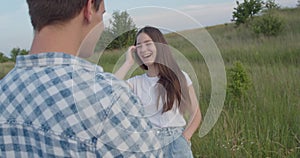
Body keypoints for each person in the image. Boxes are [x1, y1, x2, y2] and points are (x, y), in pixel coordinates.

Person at [0, 1, 178, 157]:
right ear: (89, 8)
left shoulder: (4, 91)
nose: (103, 25)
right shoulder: (109, 98)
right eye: (103, 14)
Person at [115, 26, 202, 157]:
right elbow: (110, 90)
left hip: (176, 143)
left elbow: (196, 114)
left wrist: (184, 139)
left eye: (148, 43)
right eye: (139, 46)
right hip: (148, 145)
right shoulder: (136, 83)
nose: (143, 50)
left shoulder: (179, 76)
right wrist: (128, 63)